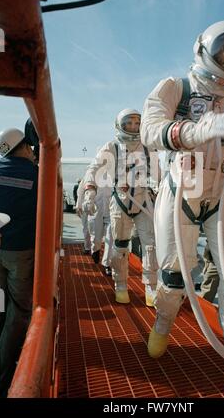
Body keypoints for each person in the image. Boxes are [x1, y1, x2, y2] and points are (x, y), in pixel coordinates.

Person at [140, 20, 224, 398]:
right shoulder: (176, 88)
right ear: (206, 50)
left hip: (223, 199)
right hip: (179, 194)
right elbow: (150, 129)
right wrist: (194, 132)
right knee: (174, 275)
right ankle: (164, 320)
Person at [83, 109, 159, 306]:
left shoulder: (147, 147)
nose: (133, 127)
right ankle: (121, 285)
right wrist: (90, 193)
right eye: (129, 123)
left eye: (136, 123)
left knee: (150, 246)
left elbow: (162, 172)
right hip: (121, 201)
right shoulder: (112, 147)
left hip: (143, 200)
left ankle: (151, 287)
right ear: (120, 125)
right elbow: (94, 169)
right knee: (120, 246)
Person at [0, 128, 38, 397]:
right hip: (20, 252)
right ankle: (3, 368)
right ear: (23, 147)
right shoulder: (36, 174)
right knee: (20, 309)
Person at [75, 177, 91, 255]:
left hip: (96, 208)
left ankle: (91, 247)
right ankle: (88, 247)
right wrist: (78, 206)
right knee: (86, 228)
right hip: (86, 208)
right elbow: (80, 193)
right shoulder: (85, 179)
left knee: (92, 228)